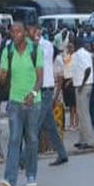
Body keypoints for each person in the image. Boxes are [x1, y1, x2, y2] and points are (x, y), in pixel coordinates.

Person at [0, 22, 44, 186]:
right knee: (14, 139)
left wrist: (33, 94)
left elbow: (40, 78)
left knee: (32, 138)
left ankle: (31, 173)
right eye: (12, 31)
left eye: (18, 31)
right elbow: (3, 76)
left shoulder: (35, 50)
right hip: (15, 101)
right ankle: (9, 179)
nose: (14, 34)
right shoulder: (7, 51)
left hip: (34, 101)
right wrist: (2, 76)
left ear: (25, 33)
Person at [28, 24, 68, 166]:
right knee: (50, 126)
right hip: (38, 89)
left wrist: (36, 44)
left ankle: (23, 158)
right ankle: (62, 153)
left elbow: (42, 59)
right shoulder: (32, 46)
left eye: (33, 31)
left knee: (35, 125)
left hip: (46, 89)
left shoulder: (47, 45)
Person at [71, 39, 94, 150]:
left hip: (84, 86)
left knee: (84, 114)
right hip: (82, 85)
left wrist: (82, 83)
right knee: (81, 114)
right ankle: (82, 139)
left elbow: (88, 69)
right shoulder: (83, 54)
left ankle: (88, 140)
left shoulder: (81, 54)